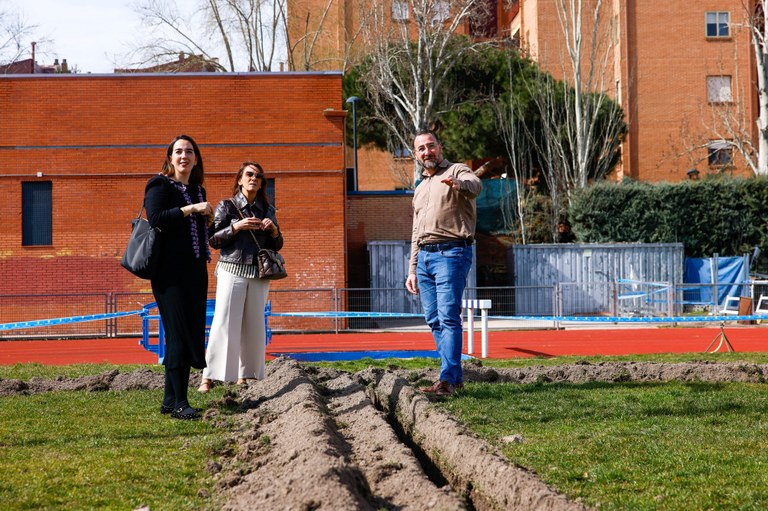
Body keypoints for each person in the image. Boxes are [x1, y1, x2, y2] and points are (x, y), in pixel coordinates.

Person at [405, 130, 482, 397]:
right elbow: (416, 231)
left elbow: (475, 186)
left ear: (440, 147)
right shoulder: (421, 187)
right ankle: (454, 379)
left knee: (449, 317)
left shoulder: (458, 170)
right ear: (415, 155)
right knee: (434, 319)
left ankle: (446, 380)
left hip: (452, 253)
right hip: (425, 257)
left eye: (431, 146)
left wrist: (458, 184)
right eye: (421, 149)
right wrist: (412, 269)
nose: (427, 152)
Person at [197, 162, 283, 392]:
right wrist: (237, 227)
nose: (254, 178)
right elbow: (213, 240)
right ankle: (209, 376)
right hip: (231, 269)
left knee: (254, 325)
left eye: (258, 176)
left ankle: (245, 375)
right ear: (240, 180)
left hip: (259, 272)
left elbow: (278, 245)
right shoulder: (228, 205)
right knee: (224, 322)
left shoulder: (267, 209)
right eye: (249, 174)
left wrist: (274, 230)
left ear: (262, 182)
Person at [145, 134, 213, 420]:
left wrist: (206, 218)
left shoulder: (197, 189)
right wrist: (192, 210)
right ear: (170, 158)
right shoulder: (159, 184)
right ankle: (180, 404)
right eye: (178, 152)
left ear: (196, 158)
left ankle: (169, 400)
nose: (184, 156)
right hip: (169, 273)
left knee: (187, 333)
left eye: (189, 152)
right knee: (178, 336)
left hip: (195, 271)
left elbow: (198, 234)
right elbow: (157, 217)